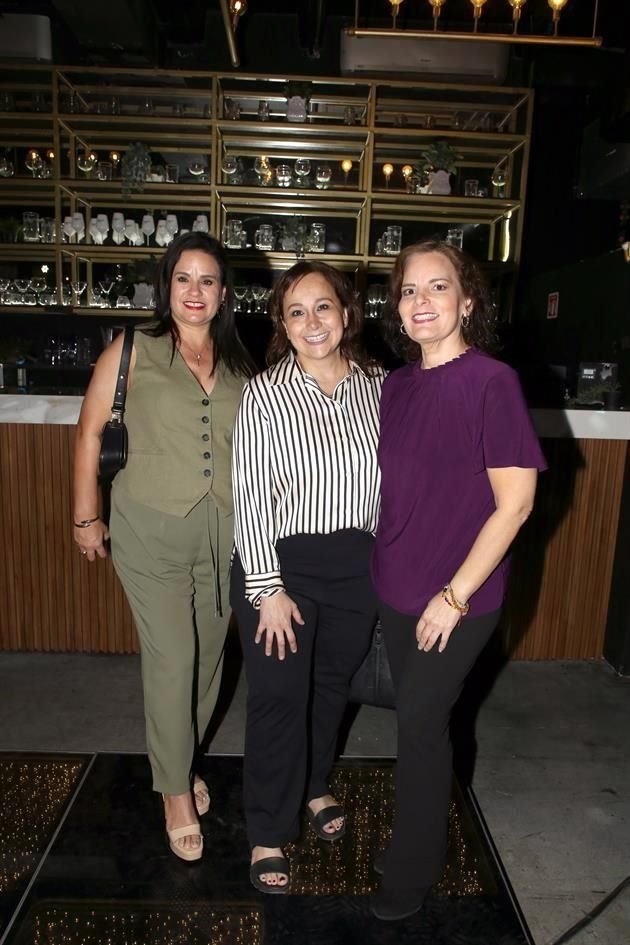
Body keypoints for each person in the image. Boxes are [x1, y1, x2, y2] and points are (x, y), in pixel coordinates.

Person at [370, 240, 547, 921]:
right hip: (396, 584)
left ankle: (413, 870)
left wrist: (453, 596)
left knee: (421, 725)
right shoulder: (397, 385)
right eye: (409, 291)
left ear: (467, 300)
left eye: (436, 288)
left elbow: (517, 504)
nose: (420, 302)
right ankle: (419, 836)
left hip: (458, 597)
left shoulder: (492, 382)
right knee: (415, 728)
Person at [73, 232, 253, 862]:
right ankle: (174, 791)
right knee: (174, 658)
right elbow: (91, 431)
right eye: (183, 278)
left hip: (225, 533)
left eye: (207, 281)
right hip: (149, 528)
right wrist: (85, 517)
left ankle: (181, 759)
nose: (195, 292)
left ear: (223, 293)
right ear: (165, 286)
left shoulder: (240, 364)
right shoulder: (132, 350)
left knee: (209, 662)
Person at [230, 260, 385, 894]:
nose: (312, 322)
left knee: (329, 690)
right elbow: (250, 495)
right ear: (283, 326)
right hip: (283, 567)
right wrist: (266, 590)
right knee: (277, 699)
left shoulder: (380, 384)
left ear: (346, 314)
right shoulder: (264, 392)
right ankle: (268, 829)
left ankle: (315, 785)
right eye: (296, 312)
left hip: (358, 570)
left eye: (323, 307)